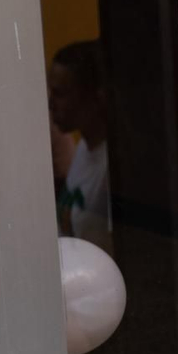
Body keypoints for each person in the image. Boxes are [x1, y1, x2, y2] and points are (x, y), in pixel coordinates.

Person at [49, 41, 112, 253]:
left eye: (60, 93)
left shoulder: (107, 169)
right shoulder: (84, 148)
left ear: (94, 96)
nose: (50, 103)